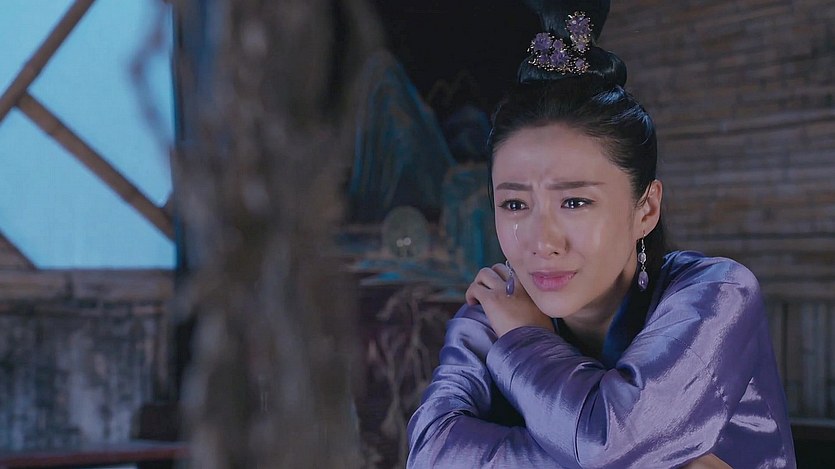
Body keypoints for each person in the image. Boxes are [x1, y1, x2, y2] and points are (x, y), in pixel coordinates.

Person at [406, 1, 796, 467]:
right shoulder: (490, 314)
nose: (541, 241)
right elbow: (429, 455)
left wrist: (526, 339)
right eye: (514, 204)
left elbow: (607, 441)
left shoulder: (717, 296)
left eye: (575, 202)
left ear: (646, 209)